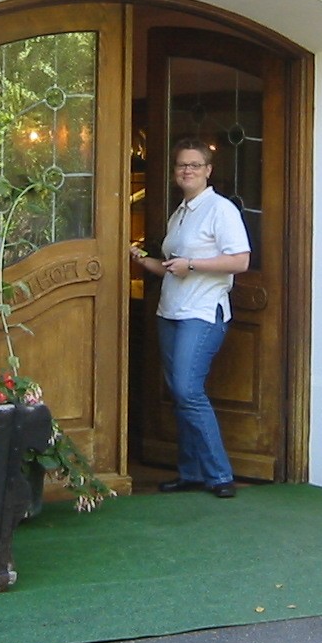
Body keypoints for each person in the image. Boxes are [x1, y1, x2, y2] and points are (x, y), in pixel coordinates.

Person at [129, 138, 251, 499]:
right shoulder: (180, 212)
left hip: (202, 312)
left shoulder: (221, 209)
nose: (187, 171)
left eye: (195, 165)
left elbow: (240, 260)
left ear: (208, 170)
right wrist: (139, 259)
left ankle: (219, 474)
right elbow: (172, 267)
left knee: (187, 390)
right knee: (180, 394)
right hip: (170, 311)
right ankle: (191, 471)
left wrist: (193, 264)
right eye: (182, 165)